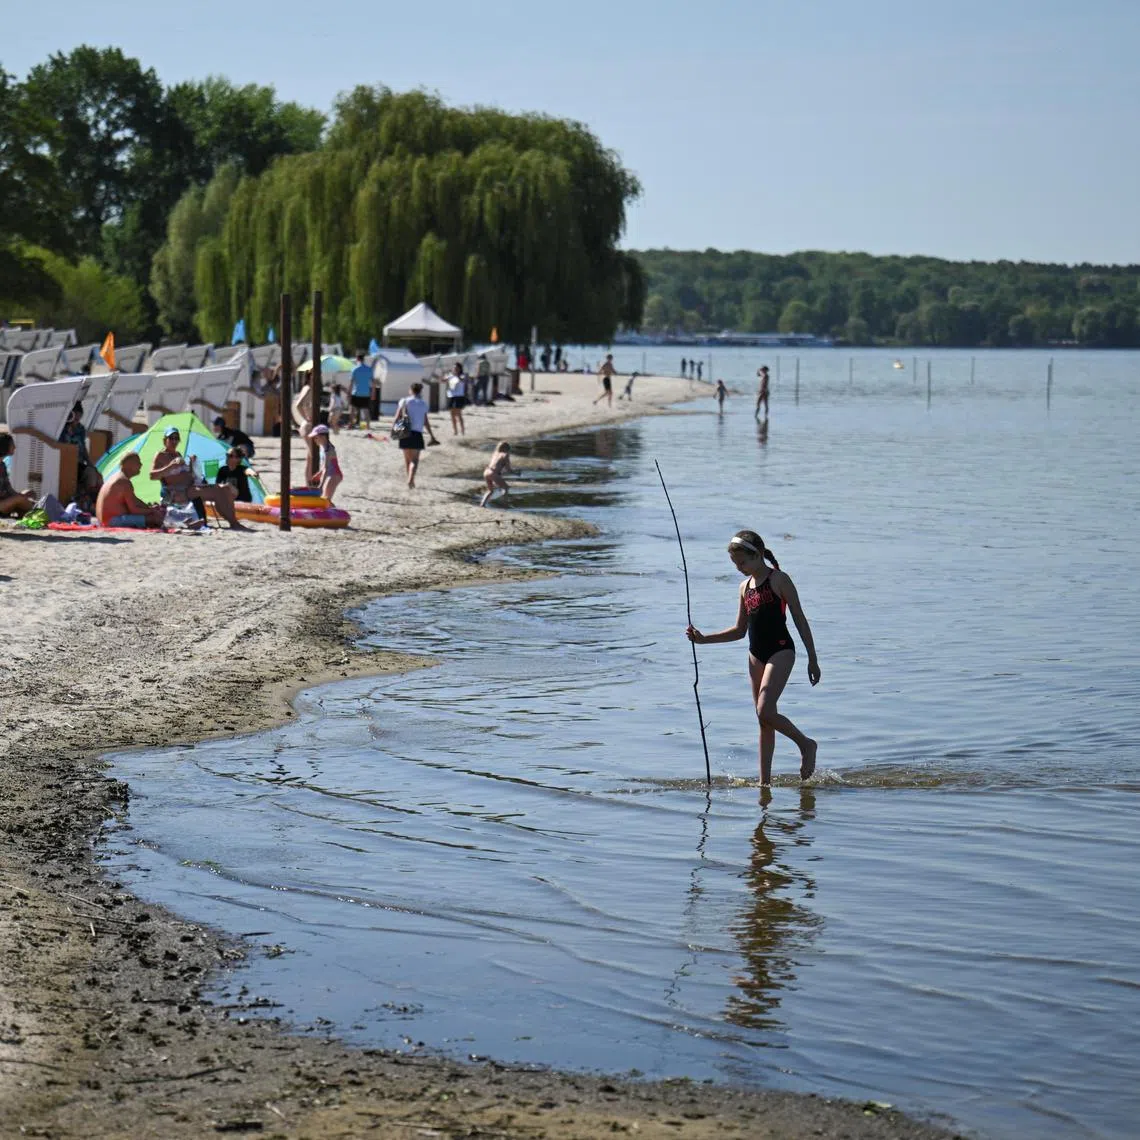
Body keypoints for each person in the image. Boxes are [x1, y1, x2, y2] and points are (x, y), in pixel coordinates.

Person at [686, 530, 820, 786]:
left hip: (781, 651)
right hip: (755, 655)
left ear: (757, 555)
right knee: (764, 720)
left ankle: (806, 745)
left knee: (765, 709)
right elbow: (739, 631)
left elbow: (800, 619)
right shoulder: (743, 588)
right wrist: (703, 639)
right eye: (735, 564)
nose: (739, 568)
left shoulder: (779, 579)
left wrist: (812, 659)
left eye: (743, 562)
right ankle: (764, 784)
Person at [150, 426, 250, 530]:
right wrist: (170, 466)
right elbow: (152, 475)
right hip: (177, 492)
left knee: (225, 489)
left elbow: (186, 475)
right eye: (171, 438)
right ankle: (233, 522)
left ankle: (233, 520)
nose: (174, 441)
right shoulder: (160, 455)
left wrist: (192, 466)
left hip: (190, 487)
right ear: (165, 440)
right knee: (218, 491)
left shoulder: (178, 454)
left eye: (176, 438)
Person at [95, 452, 166, 528]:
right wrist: (152, 511)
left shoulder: (116, 477)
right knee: (154, 519)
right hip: (112, 521)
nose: (141, 465)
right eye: (138, 462)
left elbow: (135, 500)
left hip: (104, 521)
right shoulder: (124, 482)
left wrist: (149, 508)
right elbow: (134, 510)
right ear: (128, 465)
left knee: (151, 515)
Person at [392, 382, 438, 489]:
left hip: (404, 432)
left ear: (410, 390)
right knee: (415, 460)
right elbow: (425, 421)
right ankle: (410, 480)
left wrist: (393, 429)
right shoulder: (423, 404)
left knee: (407, 459)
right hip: (417, 433)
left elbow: (397, 416)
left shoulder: (404, 401)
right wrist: (431, 435)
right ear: (420, 391)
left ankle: (410, 480)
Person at [59, 402, 102, 511]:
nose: (77, 420)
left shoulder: (80, 429)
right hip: (65, 463)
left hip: (78, 463)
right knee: (90, 474)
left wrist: (91, 465)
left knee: (94, 474)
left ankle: (90, 500)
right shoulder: (61, 429)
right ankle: (85, 502)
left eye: (79, 418)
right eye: (75, 418)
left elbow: (83, 448)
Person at [0, 432, 33, 517]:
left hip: (4, 501)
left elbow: (8, 488)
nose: (15, 447)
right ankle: (35, 512)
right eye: (12, 445)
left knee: (29, 492)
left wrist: (21, 495)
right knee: (19, 499)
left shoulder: (2, 465)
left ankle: (26, 513)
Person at [308, 424, 343, 503]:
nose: (314, 440)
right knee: (325, 498)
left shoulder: (328, 450)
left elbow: (326, 468)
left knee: (326, 499)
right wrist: (319, 474)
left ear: (323, 437)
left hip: (334, 475)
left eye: (316, 437)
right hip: (331, 474)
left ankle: (336, 514)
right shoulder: (323, 448)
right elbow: (324, 465)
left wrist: (321, 484)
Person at [480, 441, 516, 507]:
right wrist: (515, 472)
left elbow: (497, 465)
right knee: (506, 488)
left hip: (486, 471)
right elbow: (508, 469)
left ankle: (482, 504)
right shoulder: (505, 455)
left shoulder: (495, 453)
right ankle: (504, 504)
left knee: (490, 490)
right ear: (506, 449)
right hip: (493, 473)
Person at [349, 352, 373, 428]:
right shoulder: (369, 369)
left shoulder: (354, 369)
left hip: (356, 392)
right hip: (366, 393)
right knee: (366, 411)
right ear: (364, 359)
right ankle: (368, 426)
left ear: (357, 359)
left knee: (352, 409)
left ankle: (351, 424)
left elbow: (351, 382)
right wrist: (373, 393)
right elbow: (373, 382)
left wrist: (349, 393)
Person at [447, 363, 468, 436]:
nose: (455, 369)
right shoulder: (450, 376)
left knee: (458, 414)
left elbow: (462, 380)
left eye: (456, 368)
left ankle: (462, 431)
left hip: (459, 396)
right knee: (452, 414)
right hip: (451, 396)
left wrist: (456, 375)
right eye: (454, 368)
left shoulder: (462, 375)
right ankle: (455, 431)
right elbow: (443, 380)